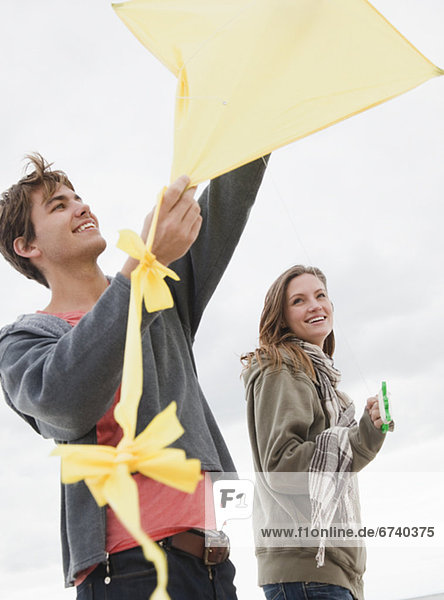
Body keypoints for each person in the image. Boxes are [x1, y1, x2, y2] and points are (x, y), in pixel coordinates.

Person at [0, 153, 268, 599]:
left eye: (78, 197)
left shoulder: (160, 287)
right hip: (128, 574)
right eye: (58, 205)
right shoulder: (23, 341)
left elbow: (227, 201)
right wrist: (140, 268)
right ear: (27, 247)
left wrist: (255, 118)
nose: (82, 207)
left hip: (215, 568)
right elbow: (65, 402)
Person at [242, 265, 393, 600]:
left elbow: (336, 460)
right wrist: (355, 439)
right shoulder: (281, 368)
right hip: (307, 572)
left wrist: (370, 429)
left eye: (320, 295)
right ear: (281, 317)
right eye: (299, 300)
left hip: (326, 572)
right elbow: (281, 468)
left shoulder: (319, 378)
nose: (315, 305)